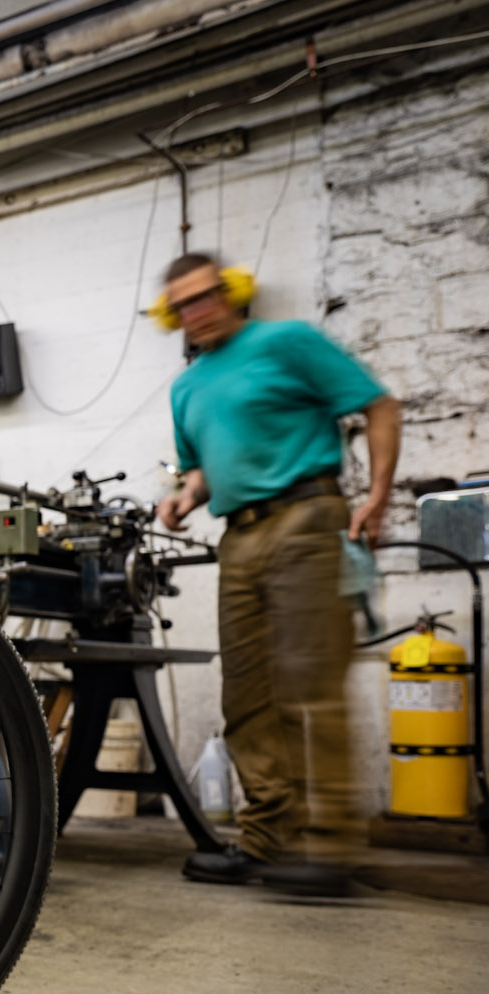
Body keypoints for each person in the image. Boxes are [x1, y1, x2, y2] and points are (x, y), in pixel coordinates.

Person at [154, 251, 401, 897]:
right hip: (240, 537)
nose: (197, 311)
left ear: (231, 292)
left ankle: (333, 846)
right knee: (248, 696)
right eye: (183, 305)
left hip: (307, 519)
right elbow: (204, 466)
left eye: (206, 296)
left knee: (310, 685)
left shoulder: (285, 342)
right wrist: (184, 496)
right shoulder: (187, 385)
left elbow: (379, 405)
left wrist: (377, 494)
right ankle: (266, 840)